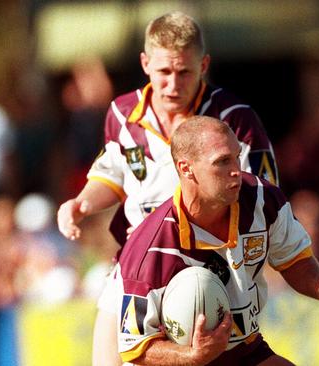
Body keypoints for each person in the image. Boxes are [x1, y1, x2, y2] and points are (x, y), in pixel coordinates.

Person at [56, 11, 279, 366]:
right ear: (145, 63)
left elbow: (262, 197)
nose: (172, 84)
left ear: (203, 64)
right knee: (108, 358)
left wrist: (174, 229)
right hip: (137, 265)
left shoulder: (235, 119)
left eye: (184, 72)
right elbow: (111, 174)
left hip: (210, 271)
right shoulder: (122, 113)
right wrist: (81, 204)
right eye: (163, 72)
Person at [116, 116, 319, 365]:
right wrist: (193, 357)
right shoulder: (149, 246)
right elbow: (136, 347)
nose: (236, 171)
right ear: (186, 168)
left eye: (237, 157)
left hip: (243, 352)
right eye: (222, 162)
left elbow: (293, 259)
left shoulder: (263, 201)